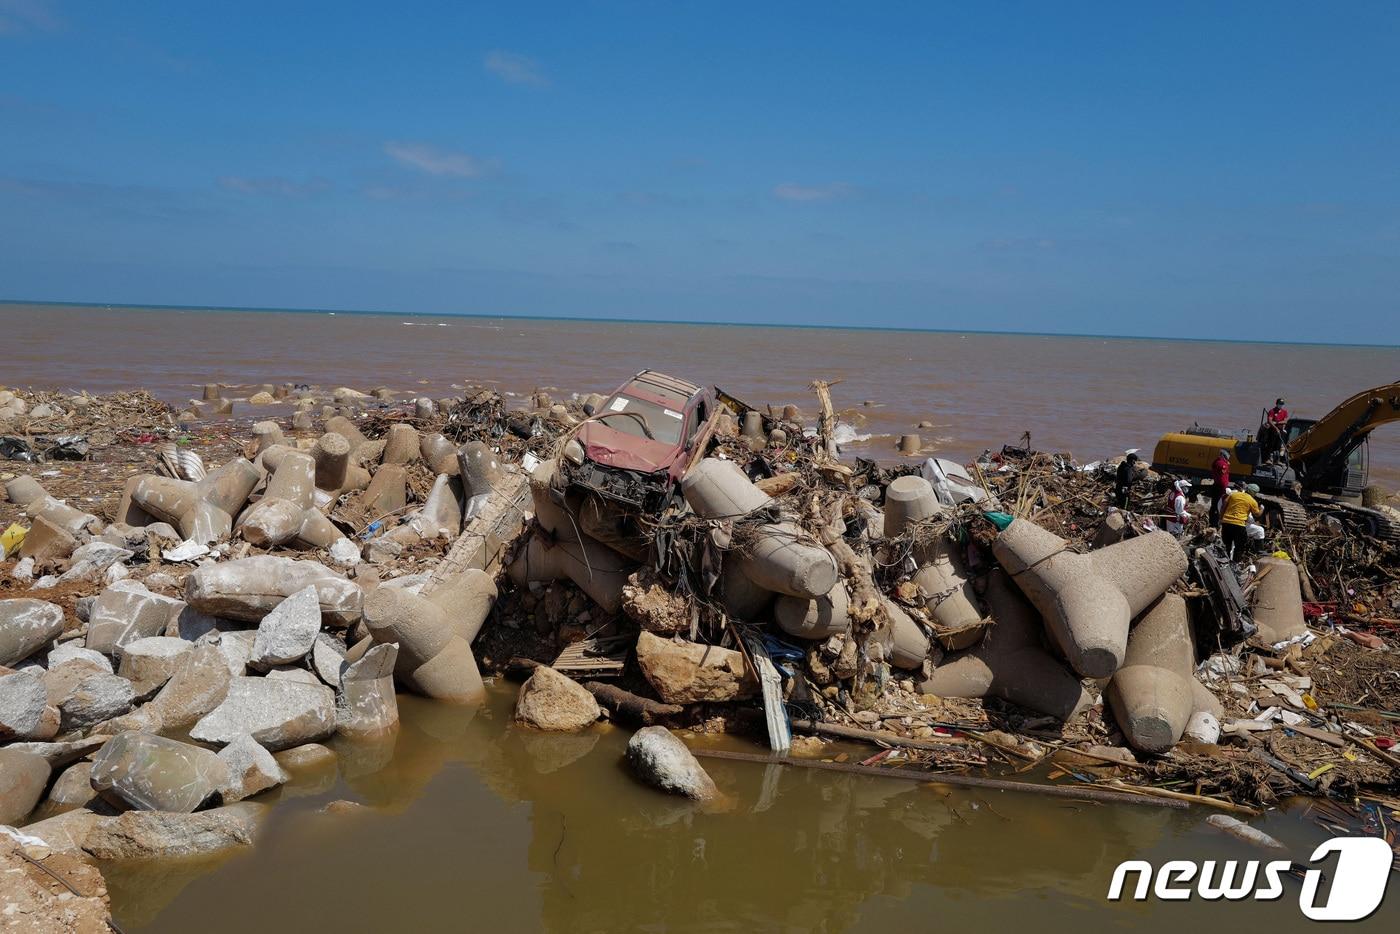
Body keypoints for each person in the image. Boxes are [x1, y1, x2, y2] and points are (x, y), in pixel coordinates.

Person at [1221, 482, 1263, 558]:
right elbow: (1257, 514)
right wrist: (1262, 509)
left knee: (1227, 545)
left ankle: (1224, 561)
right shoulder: (1252, 501)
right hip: (1239, 525)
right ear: (1253, 493)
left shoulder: (1233, 495)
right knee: (1239, 547)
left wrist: (1221, 518)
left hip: (1226, 523)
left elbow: (1224, 505)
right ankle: (1235, 564)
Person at [1210, 448, 1231, 525]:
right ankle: (1214, 522)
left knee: (1215, 505)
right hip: (1220, 488)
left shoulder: (1219, 462)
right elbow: (1222, 479)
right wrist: (1224, 489)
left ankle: (1213, 521)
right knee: (1217, 506)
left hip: (1217, 486)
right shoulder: (1222, 464)